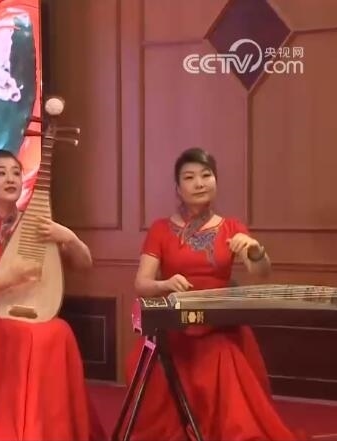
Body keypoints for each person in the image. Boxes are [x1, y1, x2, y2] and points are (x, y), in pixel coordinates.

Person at [126, 147, 304, 440]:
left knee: (223, 355)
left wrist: (255, 250)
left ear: (216, 181)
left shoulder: (232, 228)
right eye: (189, 177)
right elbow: (142, 284)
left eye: (206, 175)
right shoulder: (160, 229)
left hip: (219, 326)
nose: (199, 183)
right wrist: (166, 284)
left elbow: (261, 271)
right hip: (176, 325)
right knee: (159, 364)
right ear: (178, 188)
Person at [0, 149, 105, 441]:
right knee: (25, 334)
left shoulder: (36, 227)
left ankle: (52, 429)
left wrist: (69, 237)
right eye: (1, 173)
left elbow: (85, 264)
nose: (11, 179)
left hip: (31, 314)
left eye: (16, 173)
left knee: (60, 331)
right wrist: (5, 280)